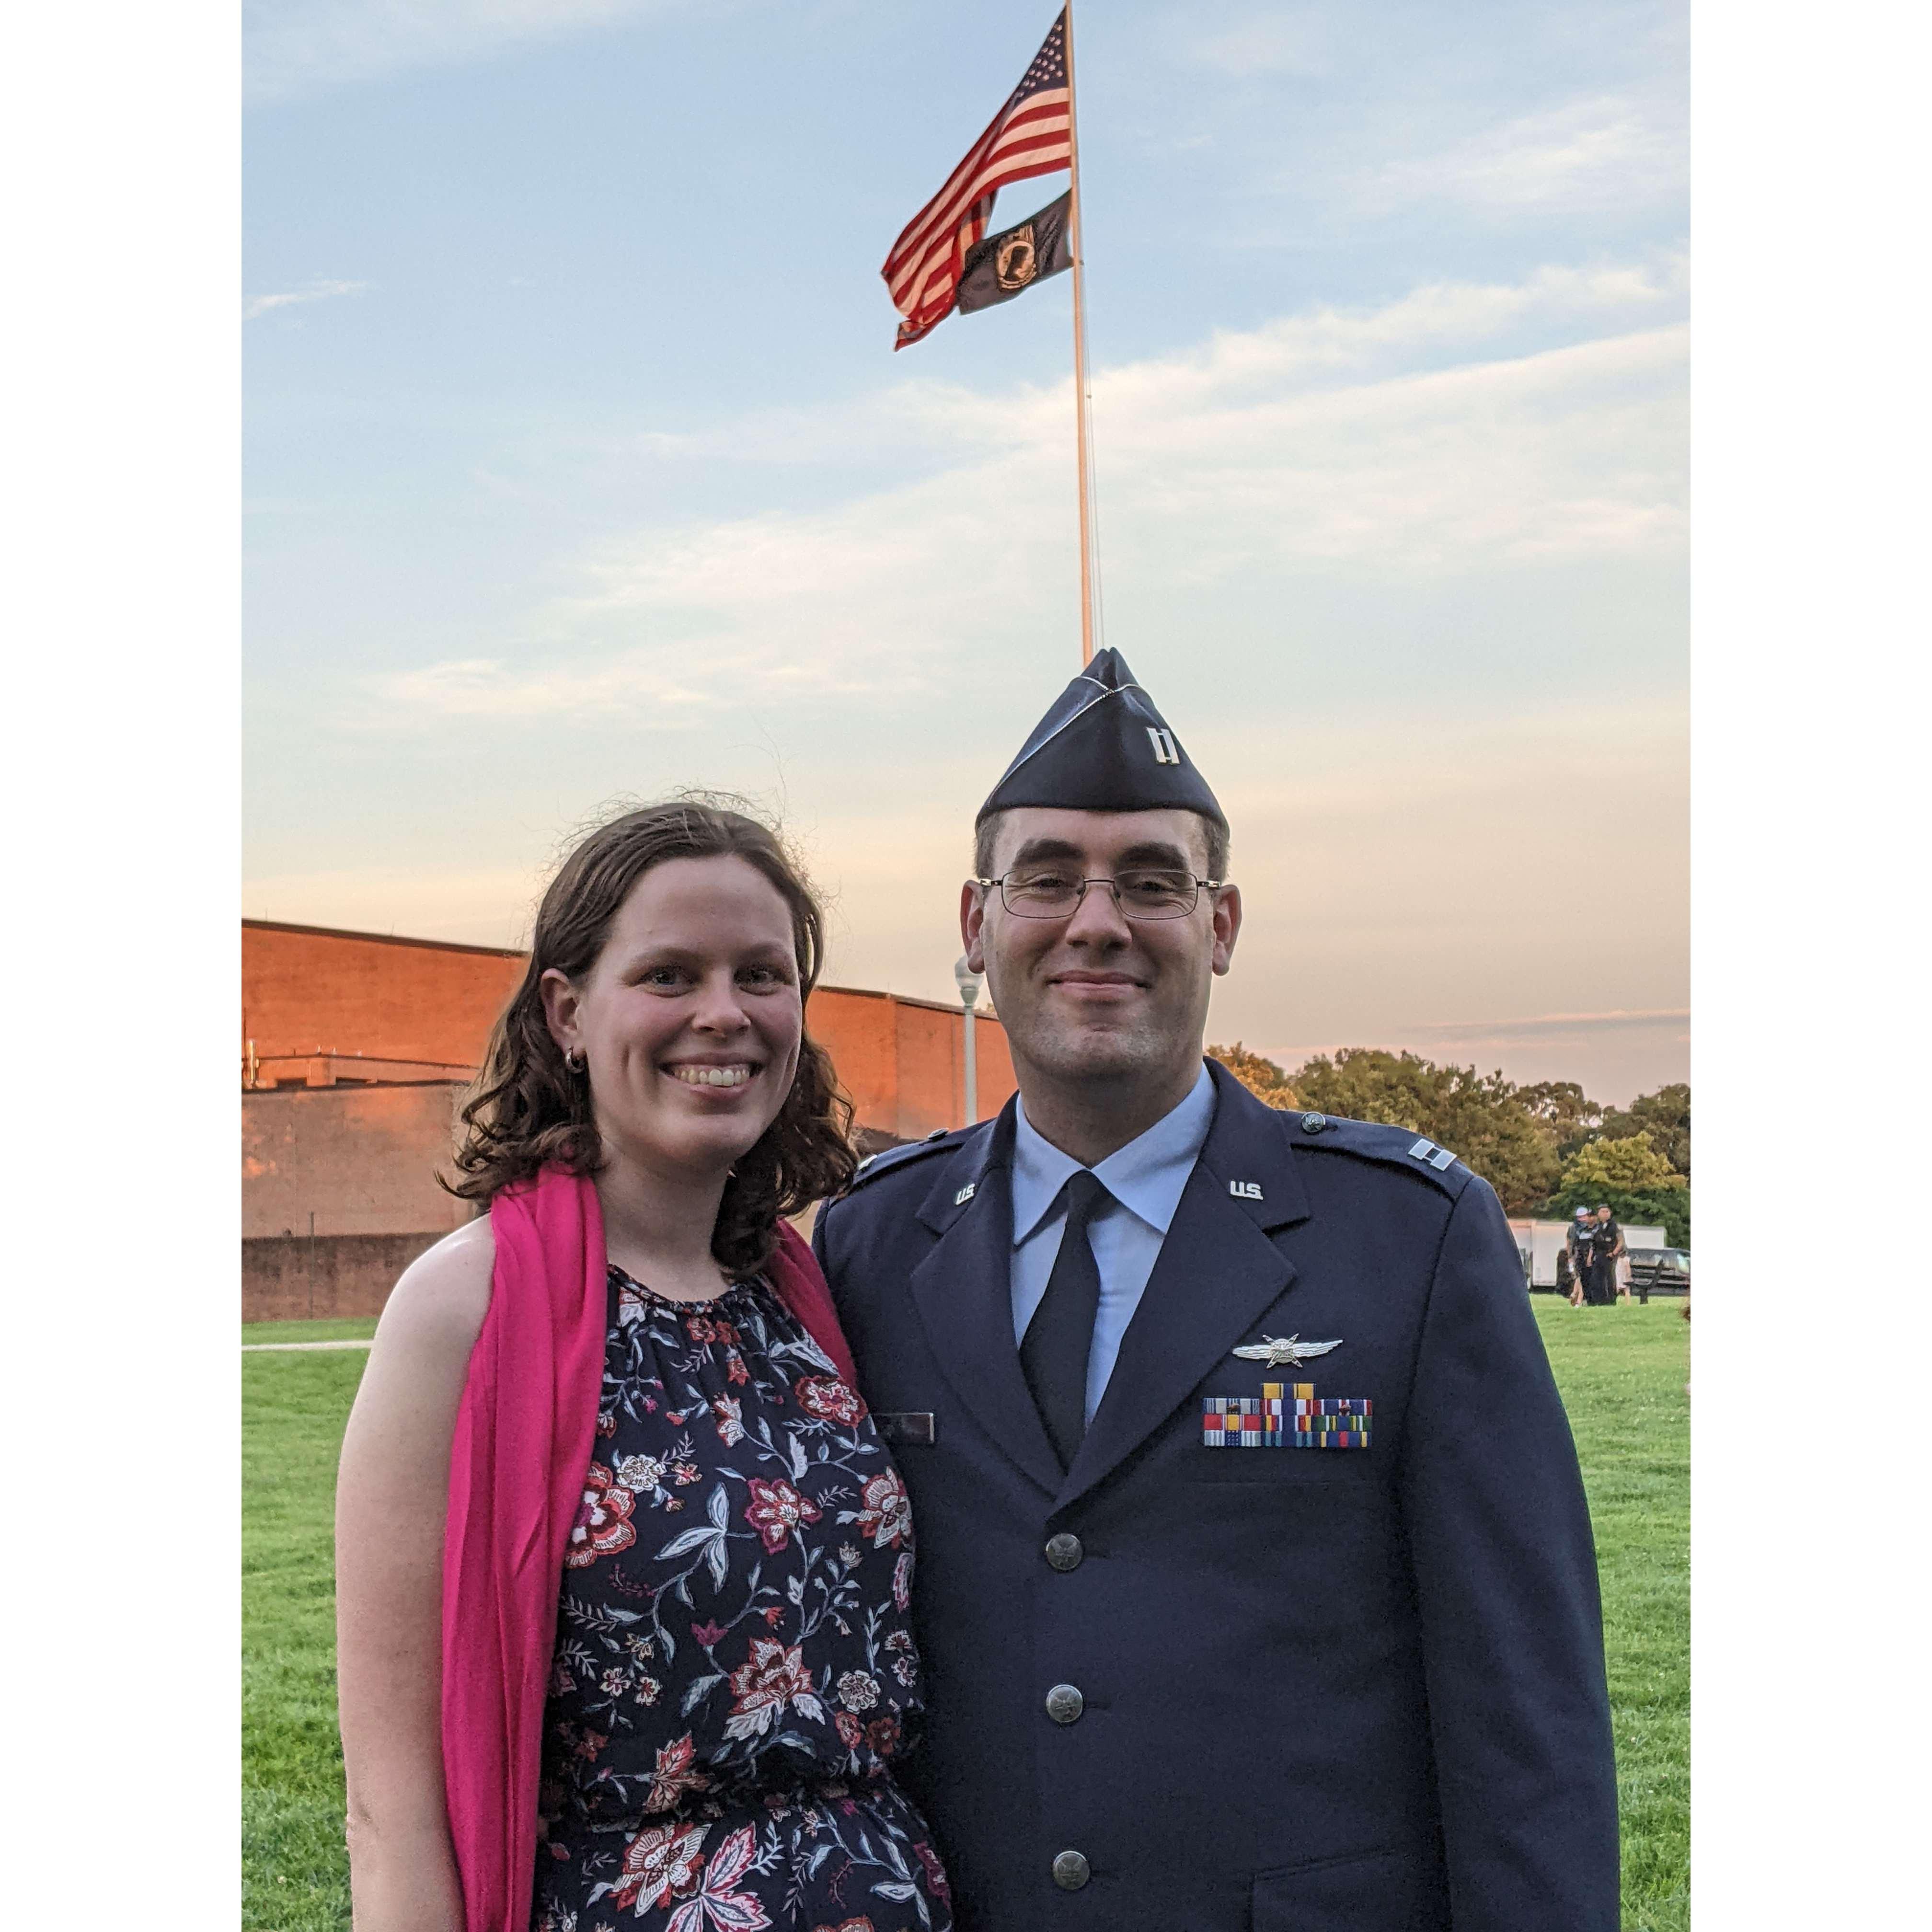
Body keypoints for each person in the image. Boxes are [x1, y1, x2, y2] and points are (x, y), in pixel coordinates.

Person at [814, 650, 1619, 1932]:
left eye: (1151, 882)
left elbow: (1528, 1717)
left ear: (1222, 925)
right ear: (974, 924)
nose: (1097, 921)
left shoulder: (1405, 1237)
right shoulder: (872, 1243)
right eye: (1047, 878)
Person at [334, 799, 954, 1932]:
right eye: (671, 975)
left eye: (762, 976)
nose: (724, 1014)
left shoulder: (805, 1302)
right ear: (568, 1012)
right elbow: (393, 1811)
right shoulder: (463, 1310)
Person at [1590, 1203, 1626, 1307]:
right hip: (1599, 1255)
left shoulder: (1615, 1226)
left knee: (1610, 1278)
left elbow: (1621, 1241)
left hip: (1611, 1256)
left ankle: (1611, 1300)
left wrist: (1614, 1253)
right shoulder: (1597, 1227)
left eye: (1607, 1212)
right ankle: (1599, 1300)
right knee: (1598, 1278)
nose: (1605, 1214)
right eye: (1602, 1212)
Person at [1565, 1204, 1594, 1307]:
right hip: (1580, 1256)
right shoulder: (1580, 1229)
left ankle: (1575, 1295)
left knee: (1579, 1278)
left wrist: (1569, 1256)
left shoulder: (1574, 1227)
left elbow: (1568, 1243)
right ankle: (1579, 1299)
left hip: (1578, 1257)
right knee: (1581, 1278)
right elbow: (1571, 1243)